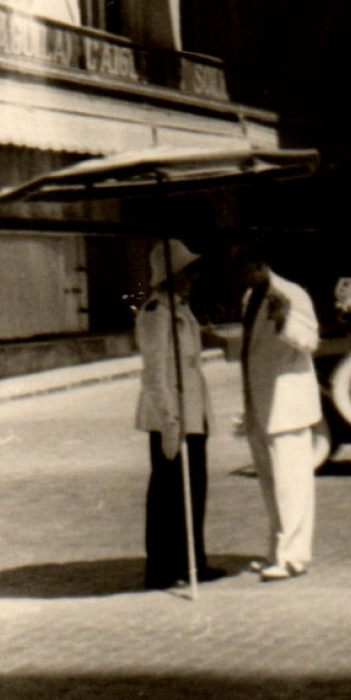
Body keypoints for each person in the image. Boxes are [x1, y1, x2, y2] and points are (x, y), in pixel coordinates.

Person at [235, 244, 322, 583]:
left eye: (243, 267)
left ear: (259, 263)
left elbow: (310, 341)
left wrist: (285, 319)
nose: (239, 275)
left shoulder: (291, 294)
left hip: (287, 403)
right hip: (260, 402)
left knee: (291, 483)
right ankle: (277, 550)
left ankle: (294, 557)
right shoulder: (250, 297)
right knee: (271, 484)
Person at [135, 239, 216, 590]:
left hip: (192, 413)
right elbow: (154, 372)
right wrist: (169, 420)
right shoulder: (156, 313)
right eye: (187, 271)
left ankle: (193, 562)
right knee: (168, 492)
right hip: (171, 416)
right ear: (171, 276)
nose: (193, 278)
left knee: (193, 488)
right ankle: (162, 567)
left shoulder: (181, 309)